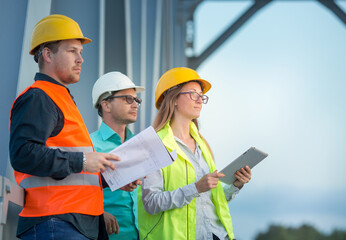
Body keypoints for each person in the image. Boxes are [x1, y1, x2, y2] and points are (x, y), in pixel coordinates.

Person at [9, 14, 135, 240]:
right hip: (56, 221)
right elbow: (23, 154)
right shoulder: (39, 97)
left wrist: (110, 180)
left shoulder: (61, 99)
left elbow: (73, 174)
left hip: (72, 222)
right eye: (72, 51)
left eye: (81, 52)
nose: (81, 59)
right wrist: (85, 161)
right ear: (47, 54)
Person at [138, 67, 252, 240]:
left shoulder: (202, 144)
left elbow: (211, 199)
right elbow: (151, 203)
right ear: (173, 98)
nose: (200, 100)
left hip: (218, 235)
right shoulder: (154, 145)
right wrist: (196, 188)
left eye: (202, 96)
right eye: (193, 94)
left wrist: (235, 185)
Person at [90, 72, 145, 239]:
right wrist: (97, 214)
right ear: (106, 105)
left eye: (137, 100)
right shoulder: (88, 146)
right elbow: (75, 190)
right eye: (128, 99)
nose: (135, 104)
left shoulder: (142, 145)